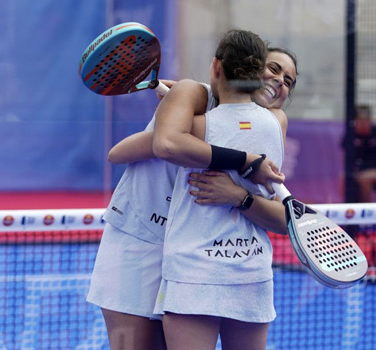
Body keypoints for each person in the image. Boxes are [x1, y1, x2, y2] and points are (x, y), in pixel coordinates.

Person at [86, 41, 297, 349]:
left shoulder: (269, 124)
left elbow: (278, 214)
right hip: (140, 237)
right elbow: (121, 153)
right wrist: (188, 114)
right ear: (248, 68)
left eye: (288, 80)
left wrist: (239, 194)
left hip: (194, 253)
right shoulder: (194, 96)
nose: (279, 80)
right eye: (273, 69)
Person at [151, 29, 286, 350]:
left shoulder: (196, 127)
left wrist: (176, 103)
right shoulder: (275, 125)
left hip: (193, 273)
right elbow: (281, 218)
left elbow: (129, 151)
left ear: (215, 67)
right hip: (250, 270)